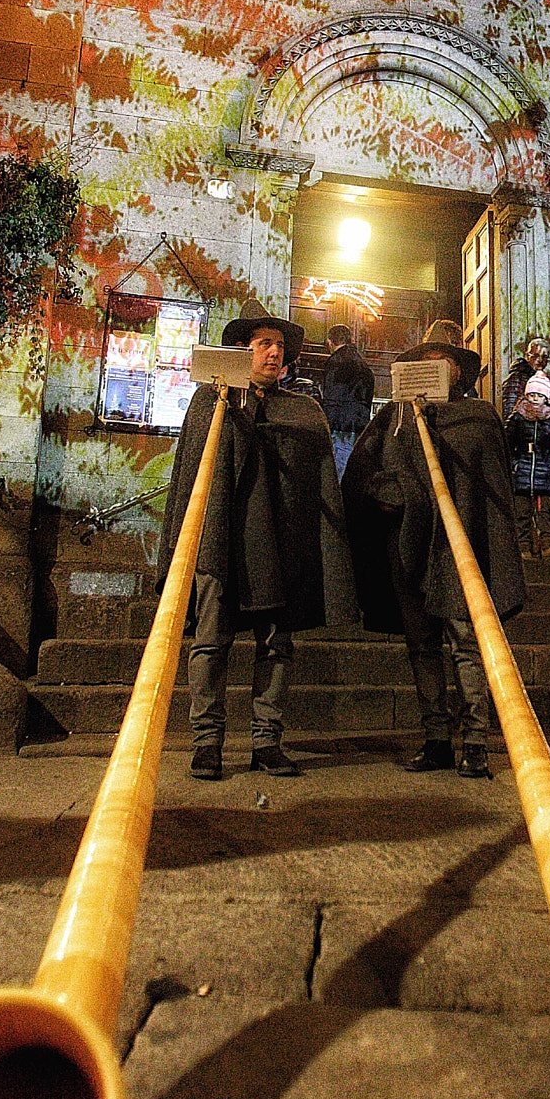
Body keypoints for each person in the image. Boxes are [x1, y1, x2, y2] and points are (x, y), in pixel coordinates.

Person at [158, 299, 357, 780]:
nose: (274, 353)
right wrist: (233, 405)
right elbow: (194, 477)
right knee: (210, 640)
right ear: (241, 350)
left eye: (280, 346)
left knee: (276, 644)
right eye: (264, 344)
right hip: (221, 540)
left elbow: (318, 484)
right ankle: (207, 742)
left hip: (281, 544)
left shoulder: (303, 411)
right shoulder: (212, 402)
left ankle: (267, 740)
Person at [341, 321, 526, 777]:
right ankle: (436, 738)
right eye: (425, 359)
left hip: (461, 549)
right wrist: (392, 493)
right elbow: (364, 473)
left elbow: (493, 489)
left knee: (466, 640)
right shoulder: (395, 417)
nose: (434, 366)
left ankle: (477, 740)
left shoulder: (481, 417)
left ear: (458, 372)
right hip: (410, 543)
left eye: (443, 360)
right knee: (422, 643)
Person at [507, 371, 550, 558]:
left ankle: (547, 545)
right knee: (522, 513)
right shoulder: (517, 418)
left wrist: (548, 466)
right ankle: (523, 548)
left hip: (542, 474)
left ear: (545, 398)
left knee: (543, 512)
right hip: (522, 473)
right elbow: (507, 443)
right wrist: (515, 463)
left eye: (539, 396)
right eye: (532, 395)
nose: (534, 399)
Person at [320, 323, 375, 479]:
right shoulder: (362, 364)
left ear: (330, 342)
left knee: (337, 476)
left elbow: (332, 398)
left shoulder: (336, 362)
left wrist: (326, 426)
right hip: (360, 426)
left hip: (340, 426)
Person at [501, 337, 550, 419]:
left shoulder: (544, 380)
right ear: (527, 356)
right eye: (536, 355)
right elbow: (509, 410)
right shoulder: (517, 377)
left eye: (544, 357)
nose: (540, 360)